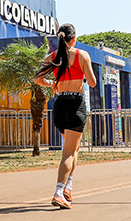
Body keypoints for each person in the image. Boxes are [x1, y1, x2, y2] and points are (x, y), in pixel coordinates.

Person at [34, 23, 98, 209]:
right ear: (74, 38)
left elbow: (37, 79)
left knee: (74, 148)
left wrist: (52, 83)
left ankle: (68, 188)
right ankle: (59, 192)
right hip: (76, 105)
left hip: (59, 106)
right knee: (68, 152)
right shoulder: (82, 55)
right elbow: (92, 83)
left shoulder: (52, 57)